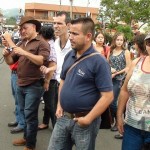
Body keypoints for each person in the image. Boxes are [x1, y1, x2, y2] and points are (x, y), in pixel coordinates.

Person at [48, 17, 114, 150]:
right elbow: (63, 80)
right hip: (63, 118)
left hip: (84, 122)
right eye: (70, 33)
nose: (70, 37)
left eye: (75, 34)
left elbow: (108, 96)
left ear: (88, 36)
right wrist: (60, 105)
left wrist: (88, 119)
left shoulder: (99, 62)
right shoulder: (69, 55)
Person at [2, 16, 50, 150]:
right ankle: (26, 138)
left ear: (34, 27)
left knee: (30, 115)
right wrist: (6, 55)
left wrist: (24, 52)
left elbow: (41, 60)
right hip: (20, 83)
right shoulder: (23, 42)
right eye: (21, 29)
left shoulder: (42, 43)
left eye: (25, 28)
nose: (22, 31)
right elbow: (11, 61)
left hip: (34, 84)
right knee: (24, 112)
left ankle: (30, 144)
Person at [39, 11, 72, 129]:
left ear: (68, 25)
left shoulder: (74, 45)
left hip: (70, 88)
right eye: (54, 23)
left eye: (59, 23)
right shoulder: (53, 45)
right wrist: (49, 69)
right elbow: (58, 65)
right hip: (56, 85)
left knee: (69, 121)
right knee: (56, 115)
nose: (56, 26)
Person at [117, 33, 150, 150]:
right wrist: (119, 115)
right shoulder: (136, 62)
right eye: (149, 43)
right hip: (132, 127)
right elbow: (125, 90)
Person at [109, 32, 131, 132]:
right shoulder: (111, 50)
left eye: (121, 40)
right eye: (117, 39)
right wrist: (110, 70)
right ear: (114, 40)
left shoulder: (125, 52)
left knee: (113, 101)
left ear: (123, 41)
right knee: (108, 100)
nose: (119, 42)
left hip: (120, 79)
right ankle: (114, 120)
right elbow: (106, 62)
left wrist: (116, 73)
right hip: (109, 78)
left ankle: (118, 121)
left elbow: (128, 67)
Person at [38, 26, 57, 129]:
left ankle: (56, 127)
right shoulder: (50, 43)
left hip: (51, 79)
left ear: (43, 35)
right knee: (48, 103)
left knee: (51, 104)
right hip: (48, 78)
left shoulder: (50, 46)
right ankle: (45, 123)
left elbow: (52, 64)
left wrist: (47, 81)